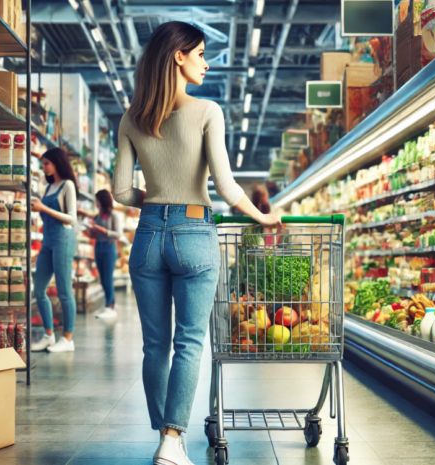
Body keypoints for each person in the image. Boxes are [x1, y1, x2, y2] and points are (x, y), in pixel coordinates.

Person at [113, 21, 282, 465]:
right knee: (190, 342)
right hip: (194, 234)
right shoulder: (207, 112)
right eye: (202, 54)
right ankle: (173, 439)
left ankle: (165, 435)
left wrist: (155, 199)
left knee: (156, 344)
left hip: (148, 235)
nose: (207, 63)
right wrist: (263, 216)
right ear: (178, 56)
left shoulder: (132, 117)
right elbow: (226, 187)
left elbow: (121, 193)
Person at [31, 148, 79, 353]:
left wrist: (44, 209)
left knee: (64, 291)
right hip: (47, 241)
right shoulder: (49, 188)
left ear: (57, 163)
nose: (44, 168)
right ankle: (49, 335)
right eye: (42, 164)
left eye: (46, 163)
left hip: (63, 239)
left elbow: (71, 218)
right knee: (39, 290)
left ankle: (68, 339)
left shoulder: (67, 185)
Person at [91, 189, 125, 319]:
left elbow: (118, 234)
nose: (96, 203)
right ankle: (109, 304)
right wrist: (92, 232)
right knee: (103, 278)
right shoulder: (99, 215)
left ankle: (110, 306)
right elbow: (97, 233)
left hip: (109, 247)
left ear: (102, 201)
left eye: (97, 200)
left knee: (108, 278)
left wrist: (103, 230)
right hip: (98, 247)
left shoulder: (114, 215)